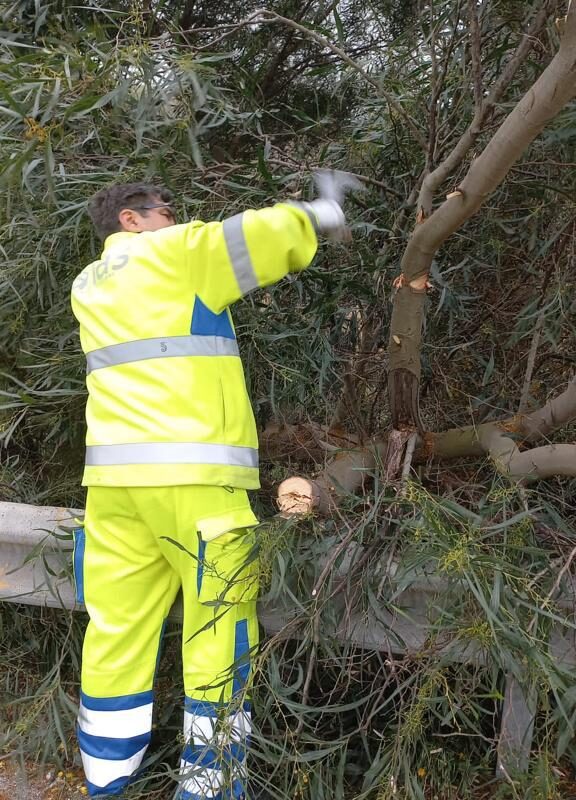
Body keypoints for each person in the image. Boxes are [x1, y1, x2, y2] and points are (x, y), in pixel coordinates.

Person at [70, 179, 352, 798]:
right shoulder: (175, 254)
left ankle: (106, 781)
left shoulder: (88, 285)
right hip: (195, 483)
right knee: (218, 632)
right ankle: (210, 786)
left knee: (115, 631)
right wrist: (319, 210)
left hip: (115, 489)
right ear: (132, 220)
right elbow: (258, 234)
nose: (177, 219)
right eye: (166, 211)